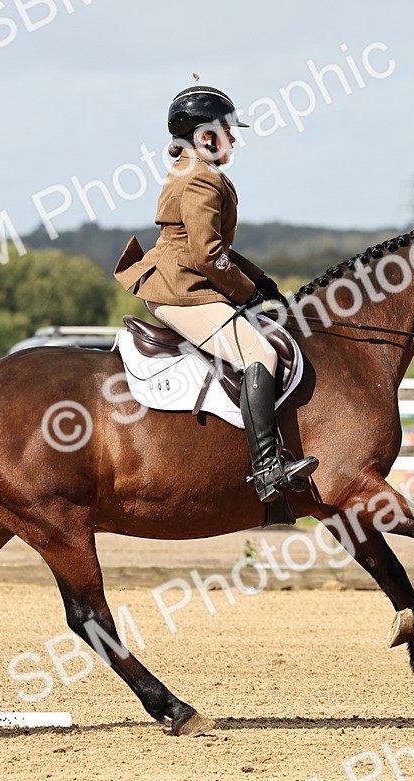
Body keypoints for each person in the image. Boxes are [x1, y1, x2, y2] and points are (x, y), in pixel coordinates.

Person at [114, 85, 318, 503]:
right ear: (206, 135)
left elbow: (211, 247)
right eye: (228, 131)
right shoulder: (200, 181)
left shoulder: (196, 174)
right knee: (260, 354)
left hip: (186, 279)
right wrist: (245, 293)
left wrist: (258, 279)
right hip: (181, 289)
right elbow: (207, 255)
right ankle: (267, 470)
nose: (234, 139)